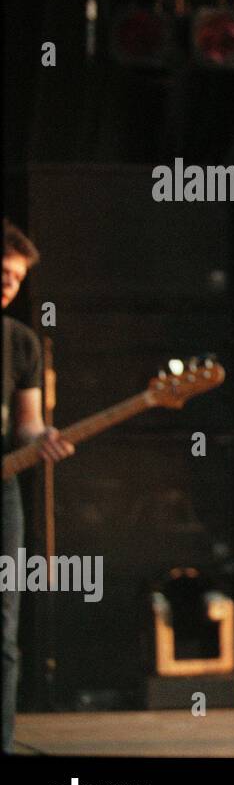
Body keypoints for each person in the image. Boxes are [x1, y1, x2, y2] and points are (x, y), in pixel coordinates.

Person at [2, 218, 74, 755]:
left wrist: (43, 436)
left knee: (3, 632)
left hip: (2, 492)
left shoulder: (21, 343)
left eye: (17, 278)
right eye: (4, 272)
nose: (10, 284)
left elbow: (25, 425)